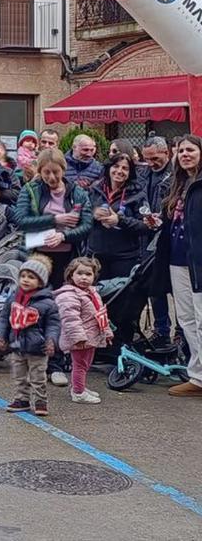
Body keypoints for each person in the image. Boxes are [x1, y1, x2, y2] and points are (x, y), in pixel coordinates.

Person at [13, 147, 93, 387]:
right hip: (38, 257)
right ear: (39, 171)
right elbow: (19, 219)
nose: (51, 178)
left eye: (55, 172)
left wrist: (64, 236)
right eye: (46, 173)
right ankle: (33, 360)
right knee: (36, 308)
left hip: (66, 259)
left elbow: (87, 224)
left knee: (61, 310)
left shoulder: (77, 192)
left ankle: (57, 363)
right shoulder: (31, 190)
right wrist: (53, 220)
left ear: (63, 170)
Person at [156, 134, 202, 396]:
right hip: (176, 258)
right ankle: (198, 375)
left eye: (190, 150)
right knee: (186, 319)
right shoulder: (177, 184)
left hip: (198, 261)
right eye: (181, 151)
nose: (185, 154)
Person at [0, 258, 60, 416]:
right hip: (17, 346)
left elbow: (53, 325)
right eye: (23, 276)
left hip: (38, 348)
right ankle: (21, 399)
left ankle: (40, 401)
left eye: (31, 277)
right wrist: (0, 336)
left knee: (38, 377)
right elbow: (4, 319)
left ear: (41, 281)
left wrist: (51, 341)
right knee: (19, 376)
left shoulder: (48, 303)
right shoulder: (13, 299)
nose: (26, 280)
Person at [54, 257, 113, 405]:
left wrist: (107, 332)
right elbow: (70, 320)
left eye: (88, 274)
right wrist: (78, 337)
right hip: (81, 338)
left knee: (85, 364)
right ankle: (78, 393)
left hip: (91, 336)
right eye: (79, 273)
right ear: (71, 275)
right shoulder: (69, 295)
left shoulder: (91, 292)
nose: (84, 278)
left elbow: (100, 314)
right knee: (79, 365)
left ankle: (79, 387)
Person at [86, 153, 152, 281]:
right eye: (116, 166)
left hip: (125, 257)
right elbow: (80, 218)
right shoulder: (94, 190)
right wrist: (93, 214)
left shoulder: (137, 194)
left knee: (121, 298)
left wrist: (119, 220)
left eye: (125, 168)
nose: (119, 171)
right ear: (109, 168)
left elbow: (145, 226)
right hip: (96, 255)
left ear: (130, 173)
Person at [142, 136, 174, 345]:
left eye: (155, 158)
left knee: (178, 290)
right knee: (155, 286)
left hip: (171, 237)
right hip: (148, 236)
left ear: (166, 153)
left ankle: (179, 332)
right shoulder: (145, 174)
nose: (151, 163)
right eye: (147, 159)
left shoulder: (175, 176)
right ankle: (161, 330)